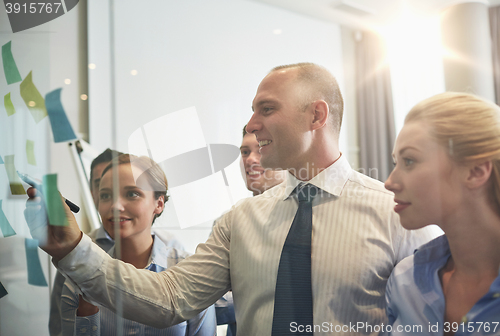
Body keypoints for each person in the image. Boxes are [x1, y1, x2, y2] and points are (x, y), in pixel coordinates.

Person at [26, 62, 439, 335]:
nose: (251, 124)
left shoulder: (399, 215)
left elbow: (431, 323)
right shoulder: (239, 221)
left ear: (316, 115)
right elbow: (169, 299)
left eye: (266, 109)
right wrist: (73, 249)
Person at [60, 154, 216, 335]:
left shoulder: (190, 271)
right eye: (105, 195)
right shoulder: (82, 275)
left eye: (132, 193)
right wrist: (87, 309)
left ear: (159, 203)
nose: (116, 206)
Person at [384, 92, 500, 335]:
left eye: (409, 161)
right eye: (396, 162)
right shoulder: (405, 282)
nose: (389, 182)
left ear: (476, 171)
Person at [215, 124, 286, 335]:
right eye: (245, 152)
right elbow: (206, 297)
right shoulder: (228, 223)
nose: (250, 159)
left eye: (261, 148)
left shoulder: (304, 220)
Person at [49, 148, 122, 336]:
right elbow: (58, 328)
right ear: (93, 193)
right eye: (102, 185)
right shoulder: (75, 253)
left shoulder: (170, 254)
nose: (113, 196)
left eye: (118, 183)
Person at [240, 124, 286, 196]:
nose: (250, 159)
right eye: (245, 152)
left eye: (261, 150)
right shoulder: (241, 207)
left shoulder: (304, 205)